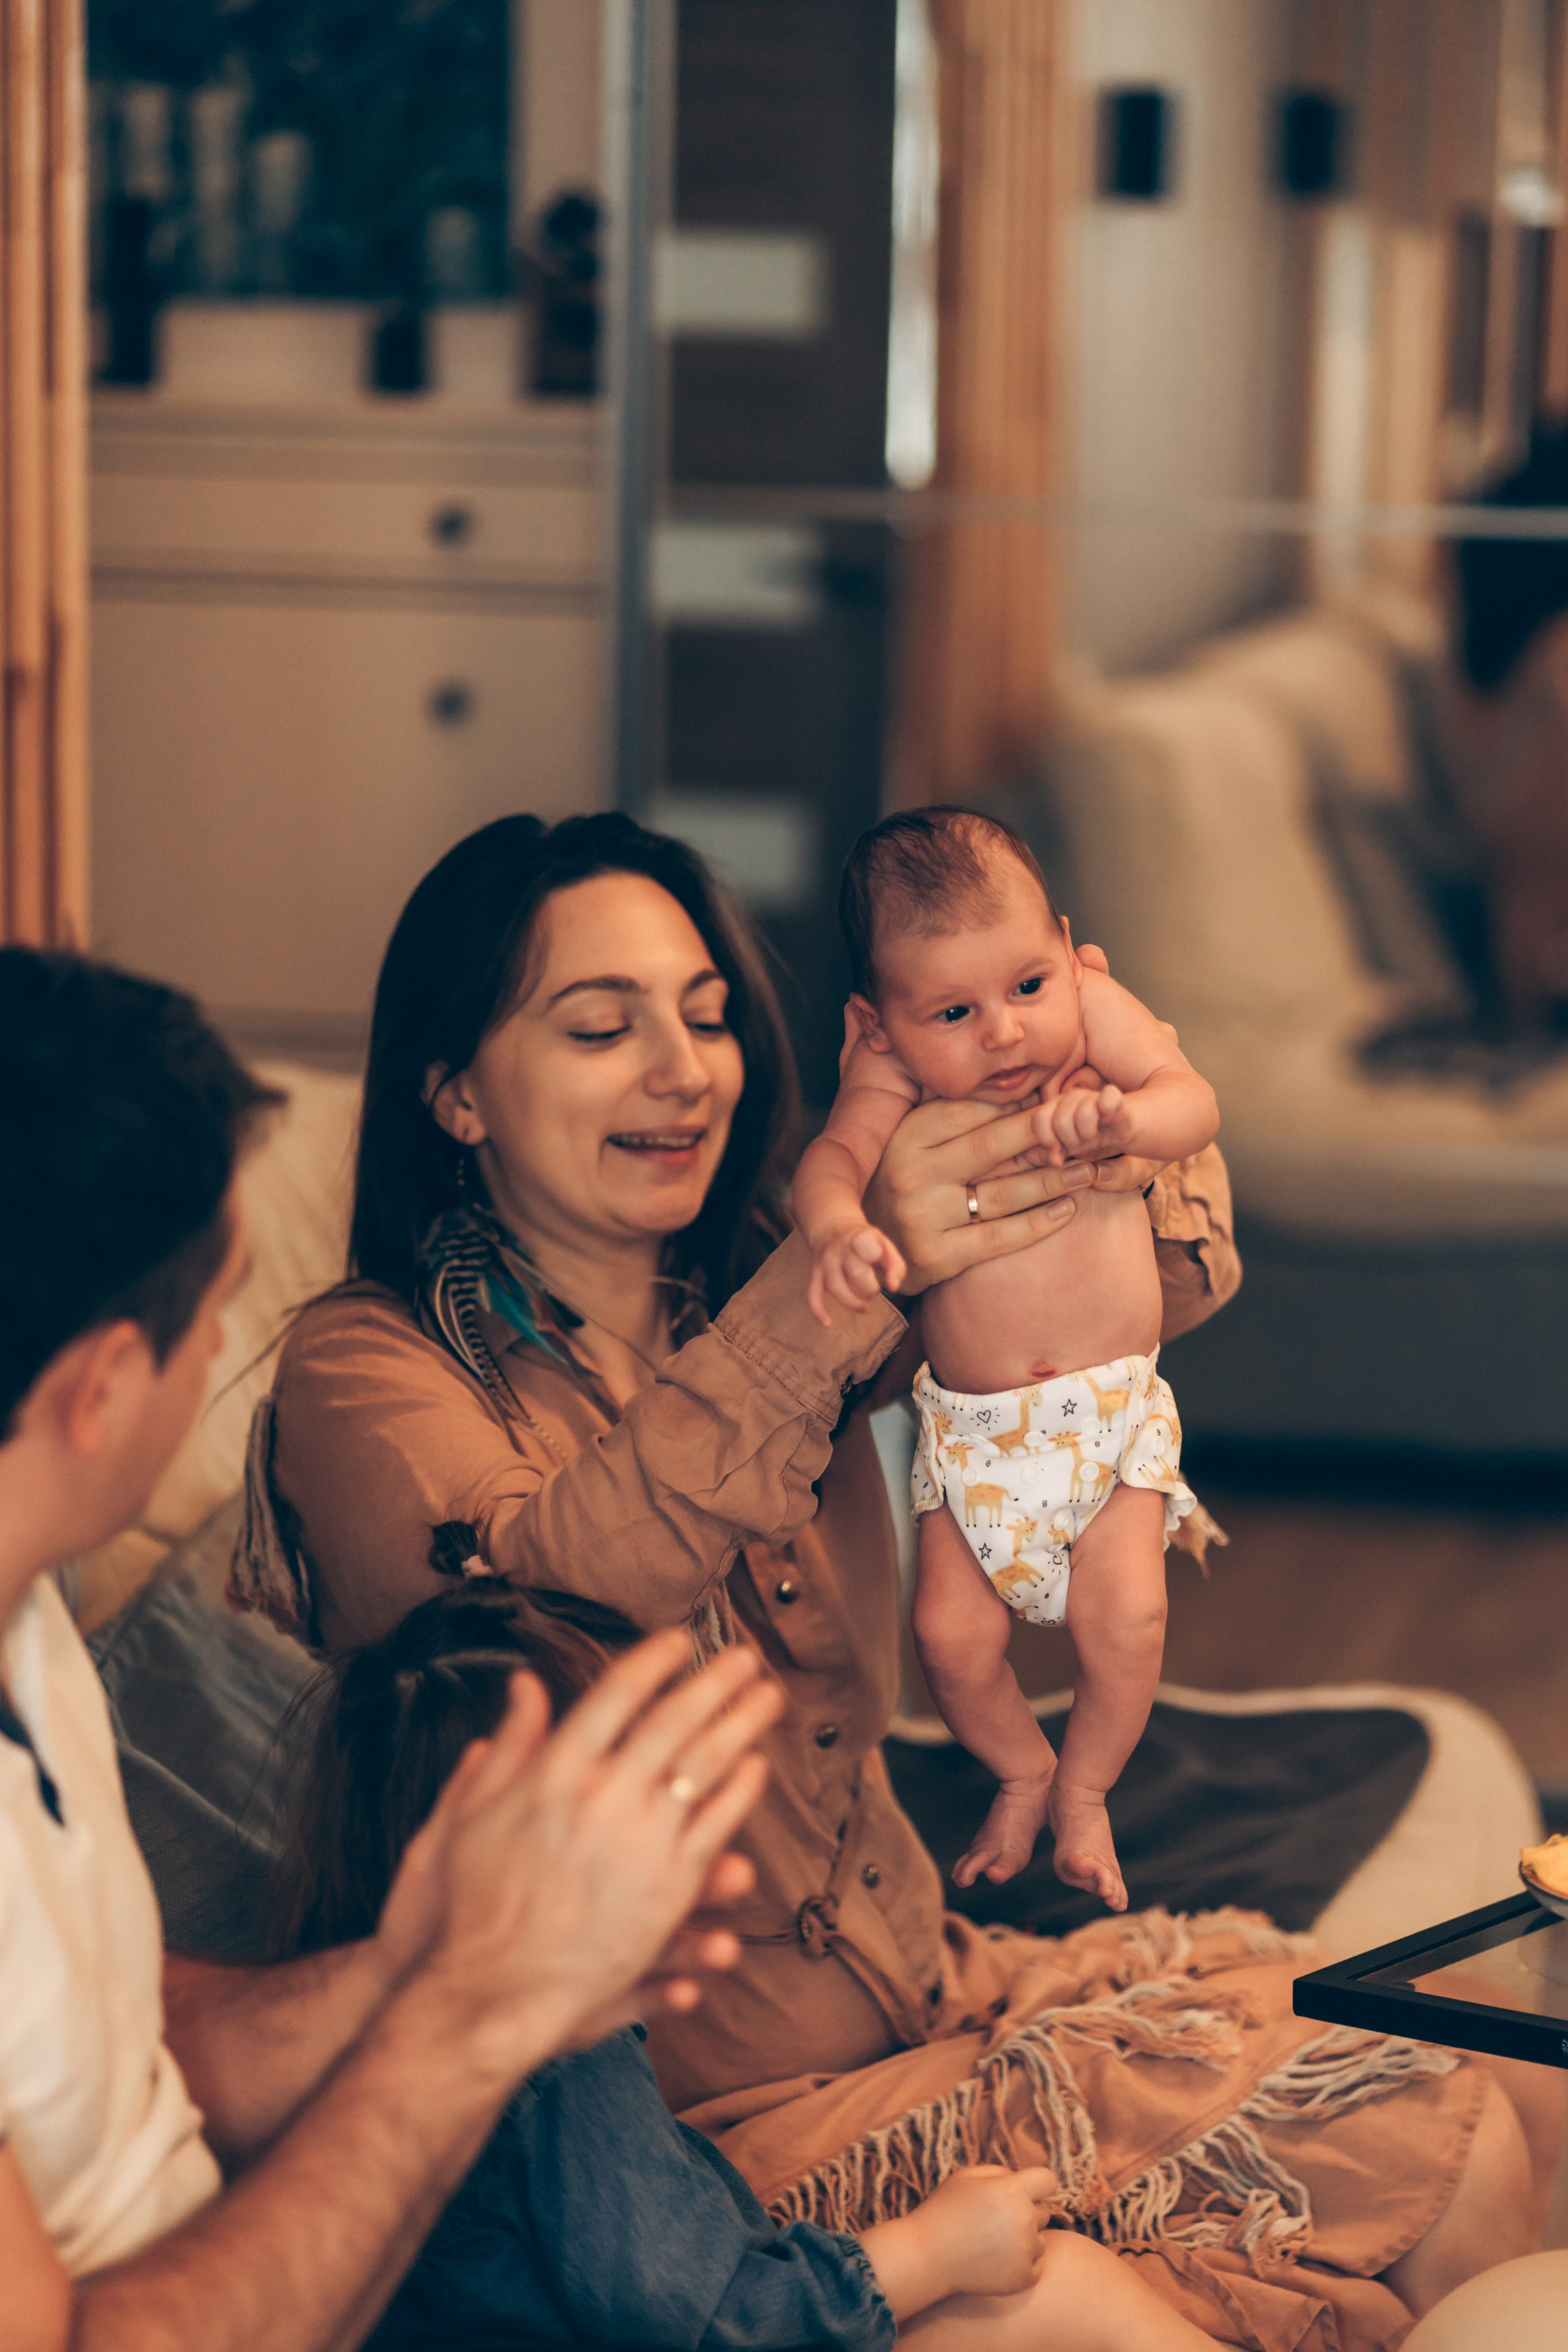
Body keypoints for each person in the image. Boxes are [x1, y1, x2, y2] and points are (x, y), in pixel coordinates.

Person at [248, 812, 1548, 2350]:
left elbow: (1176, 1283)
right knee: (1423, 2155)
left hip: (938, 1987)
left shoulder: (762, 1278)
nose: (682, 1072)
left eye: (706, 1017)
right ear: (455, 1092)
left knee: (1475, 2064)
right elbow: (544, 1606)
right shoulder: (368, 1369)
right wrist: (832, 1286)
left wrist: (1080, 1087)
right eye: (601, 1028)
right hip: (706, 2134)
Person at [0, 945, 782, 2352]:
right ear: (101, 1389)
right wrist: (471, 2017)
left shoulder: (28, 1613)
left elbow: (103, 2041)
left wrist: (415, 1963)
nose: (230, 1346)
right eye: (218, 1304)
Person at [278, 1577, 1223, 2352]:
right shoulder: (560, 2065)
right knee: (1062, 2290)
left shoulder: (354, 1996)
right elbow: (708, 2321)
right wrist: (932, 2250)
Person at [793, 809, 1220, 1907]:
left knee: (1124, 1616)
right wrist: (839, 1229)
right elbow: (832, 1159)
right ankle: (1021, 1772)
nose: (1004, 1033)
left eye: (1028, 984)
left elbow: (1192, 1101)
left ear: (1068, 948)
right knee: (947, 1636)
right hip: (972, 1435)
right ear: (877, 1023)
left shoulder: (1092, 1015)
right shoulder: (892, 1072)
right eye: (953, 1011)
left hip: (1108, 1413)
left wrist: (1129, 1121)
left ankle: (1084, 1790)